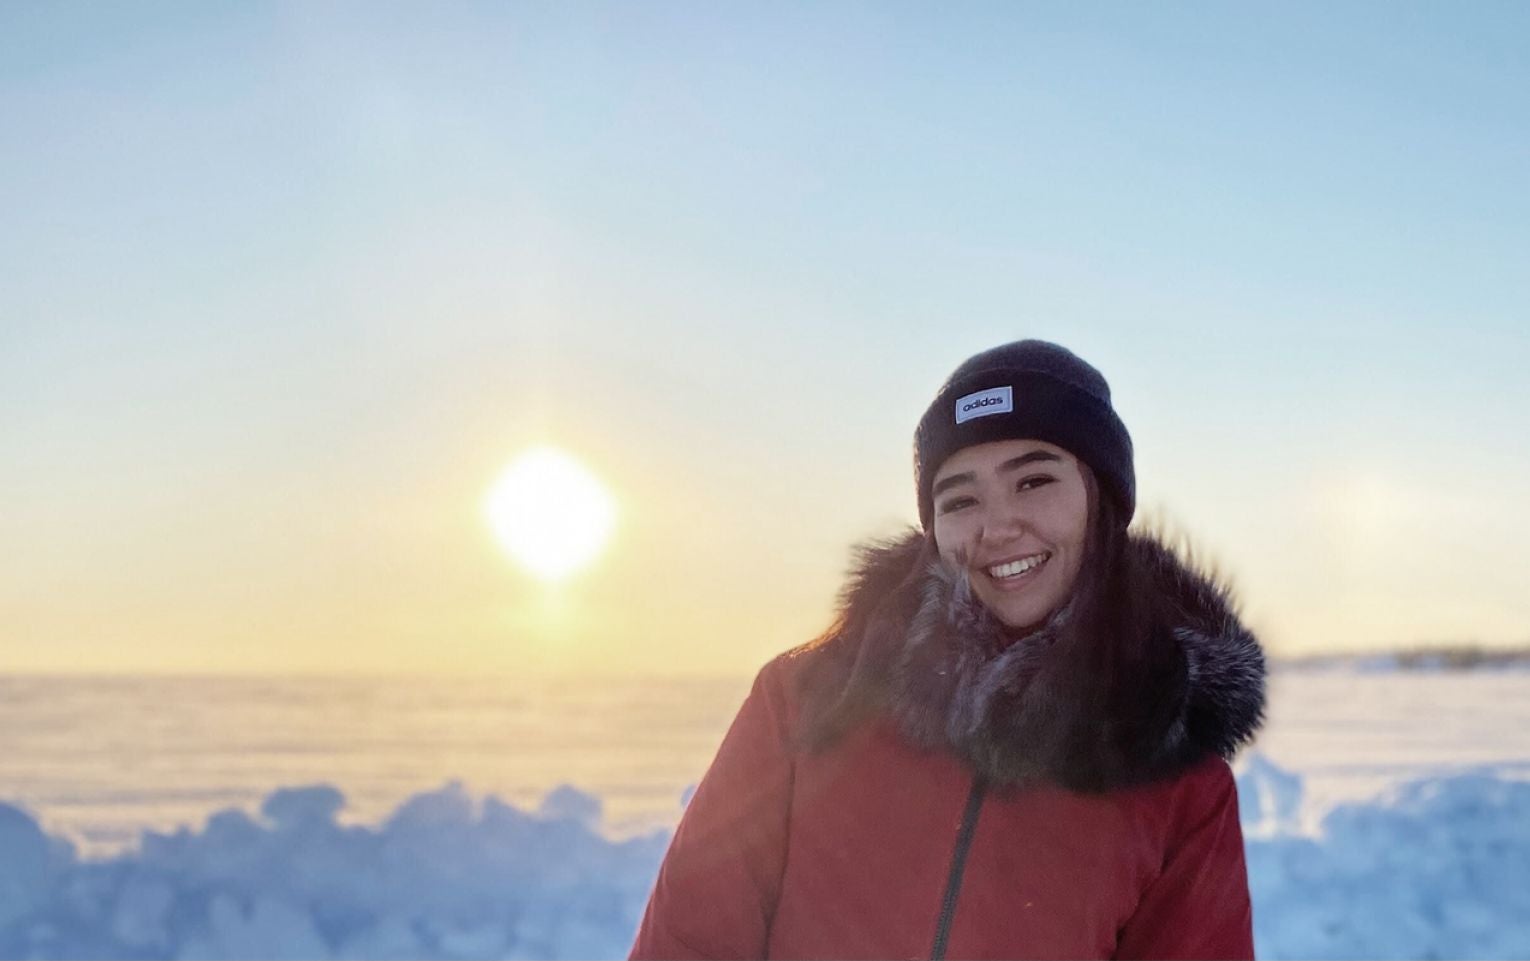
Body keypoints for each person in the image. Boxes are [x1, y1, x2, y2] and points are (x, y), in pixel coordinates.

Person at [629, 340, 1267, 960]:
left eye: (1034, 481)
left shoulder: (1177, 774)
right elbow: (689, 940)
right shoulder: (807, 701)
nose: (996, 527)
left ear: (1101, 500)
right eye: (960, 499)